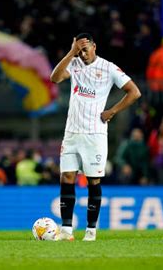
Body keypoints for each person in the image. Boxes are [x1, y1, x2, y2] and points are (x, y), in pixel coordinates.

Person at [50, 33, 141, 241]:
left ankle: (91, 231)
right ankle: (66, 230)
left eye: (85, 49)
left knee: (93, 180)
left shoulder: (108, 68)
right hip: (72, 132)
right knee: (67, 177)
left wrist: (112, 111)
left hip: (95, 134)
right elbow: (54, 78)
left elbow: (134, 92)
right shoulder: (73, 64)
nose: (82, 54)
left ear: (94, 46)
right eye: (79, 50)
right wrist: (71, 52)